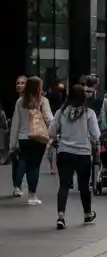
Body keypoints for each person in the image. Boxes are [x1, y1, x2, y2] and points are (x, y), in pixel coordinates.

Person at [48, 84, 100, 229]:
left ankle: (61, 216)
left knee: (64, 185)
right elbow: (96, 134)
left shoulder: (61, 112)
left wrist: (60, 136)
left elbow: (51, 131)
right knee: (84, 186)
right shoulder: (89, 113)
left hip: (64, 152)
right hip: (82, 153)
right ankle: (88, 214)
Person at [9, 76, 53, 205]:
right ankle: (32, 195)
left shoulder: (20, 102)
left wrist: (13, 143)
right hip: (38, 137)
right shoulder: (43, 101)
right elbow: (49, 119)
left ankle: (18, 186)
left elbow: (15, 123)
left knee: (26, 162)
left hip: (23, 138)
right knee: (34, 167)